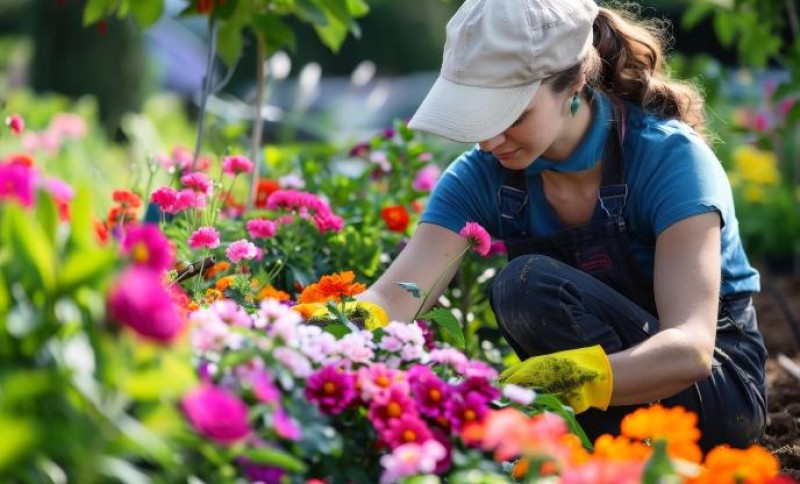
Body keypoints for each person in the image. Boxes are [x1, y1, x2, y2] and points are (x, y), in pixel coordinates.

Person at [356, 0, 768, 451]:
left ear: (574, 82)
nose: (489, 140)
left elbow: (691, 349)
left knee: (526, 284)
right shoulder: (482, 176)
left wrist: (575, 378)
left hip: (712, 398)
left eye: (512, 116)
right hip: (596, 419)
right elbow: (394, 297)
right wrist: (323, 324)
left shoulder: (669, 159)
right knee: (524, 290)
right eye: (479, 115)